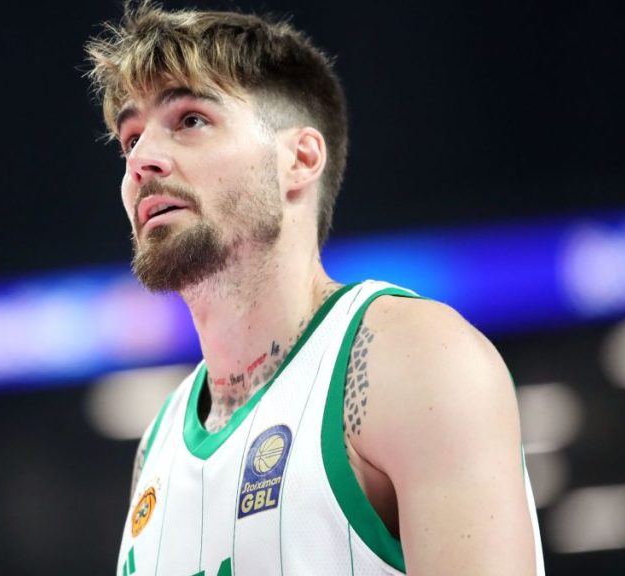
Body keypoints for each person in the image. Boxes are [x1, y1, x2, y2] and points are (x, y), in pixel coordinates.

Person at [85, 2, 544, 574]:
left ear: (299, 159)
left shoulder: (412, 358)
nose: (142, 162)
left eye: (191, 120)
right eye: (130, 139)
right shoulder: (157, 445)